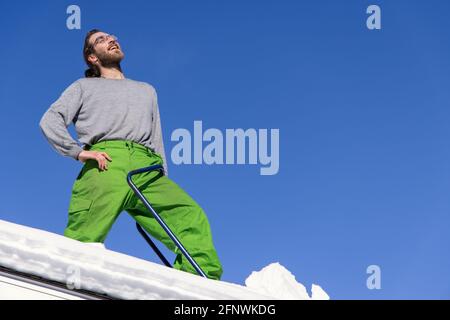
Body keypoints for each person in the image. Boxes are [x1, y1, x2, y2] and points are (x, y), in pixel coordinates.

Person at [39, 29, 223, 280]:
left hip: (147, 168)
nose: (111, 40)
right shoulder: (83, 86)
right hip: (106, 163)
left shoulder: (146, 90)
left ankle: (200, 288)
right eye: (101, 40)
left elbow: (156, 137)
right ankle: (59, 289)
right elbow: (50, 120)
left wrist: (162, 175)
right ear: (92, 57)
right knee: (82, 240)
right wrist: (78, 153)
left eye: (112, 36)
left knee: (190, 215)